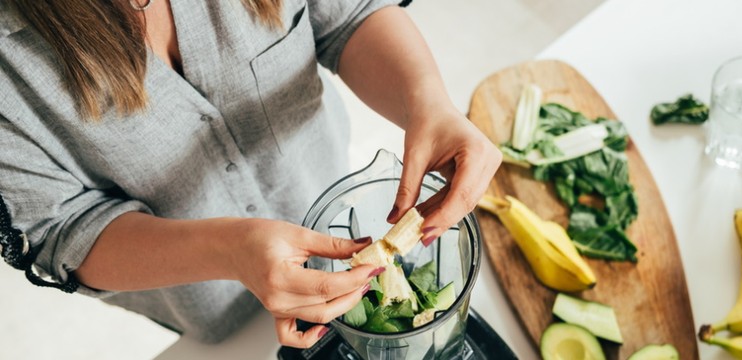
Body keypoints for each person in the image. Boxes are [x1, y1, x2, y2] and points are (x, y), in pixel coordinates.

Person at [0, 0, 501, 349]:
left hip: (319, 186)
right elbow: (60, 231)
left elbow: (349, 13)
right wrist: (230, 250)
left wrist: (428, 102)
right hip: (207, 302)